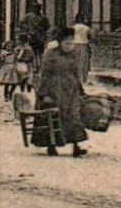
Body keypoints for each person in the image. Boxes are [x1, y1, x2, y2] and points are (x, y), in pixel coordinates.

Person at [36, 27, 89, 157]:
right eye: (67, 43)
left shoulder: (73, 55)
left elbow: (76, 74)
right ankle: (51, 146)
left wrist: (81, 91)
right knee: (53, 118)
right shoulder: (50, 55)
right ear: (60, 43)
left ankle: (76, 147)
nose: (70, 46)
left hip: (71, 92)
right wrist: (44, 94)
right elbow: (45, 75)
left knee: (74, 118)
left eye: (72, 43)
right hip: (54, 91)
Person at [70, 13, 93, 83]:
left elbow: (70, 37)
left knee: (75, 61)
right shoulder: (87, 28)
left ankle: (75, 78)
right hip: (84, 45)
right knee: (83, 62)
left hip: (75, 45)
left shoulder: (73, 28)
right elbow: (90, 37)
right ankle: (83, 79)